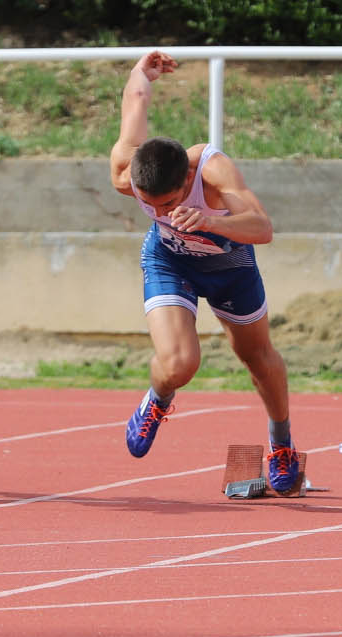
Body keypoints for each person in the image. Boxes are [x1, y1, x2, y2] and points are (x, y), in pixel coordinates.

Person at [108, 51, 300, 494]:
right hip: (170, 260)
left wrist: (211, 220)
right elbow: (135, 101)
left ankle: (281, 443)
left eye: (172, 204)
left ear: (187, 179)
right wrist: (143, 71)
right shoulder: (127, 170)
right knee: (180, 363)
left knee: (256, 358)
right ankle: (157, 399)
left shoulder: (212, 171)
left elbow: (263, 228)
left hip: (229, 262)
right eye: (151, 205)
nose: (162, 211)